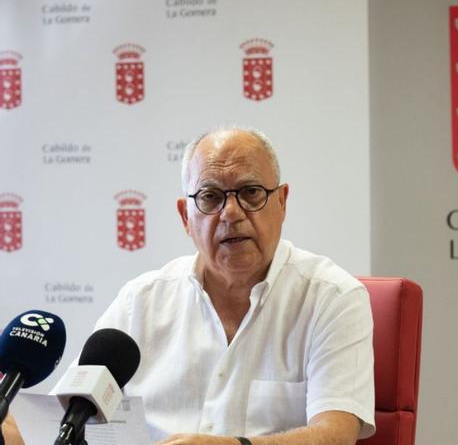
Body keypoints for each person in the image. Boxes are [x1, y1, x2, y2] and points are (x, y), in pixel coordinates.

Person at [87, 127, 372, 445]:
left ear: (281, 202)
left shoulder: (332, 298)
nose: (231, 213)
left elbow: (336, 435)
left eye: (251, 192)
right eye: (210, 197)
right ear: (185, 217)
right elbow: (76, 416)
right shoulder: (138, 302)